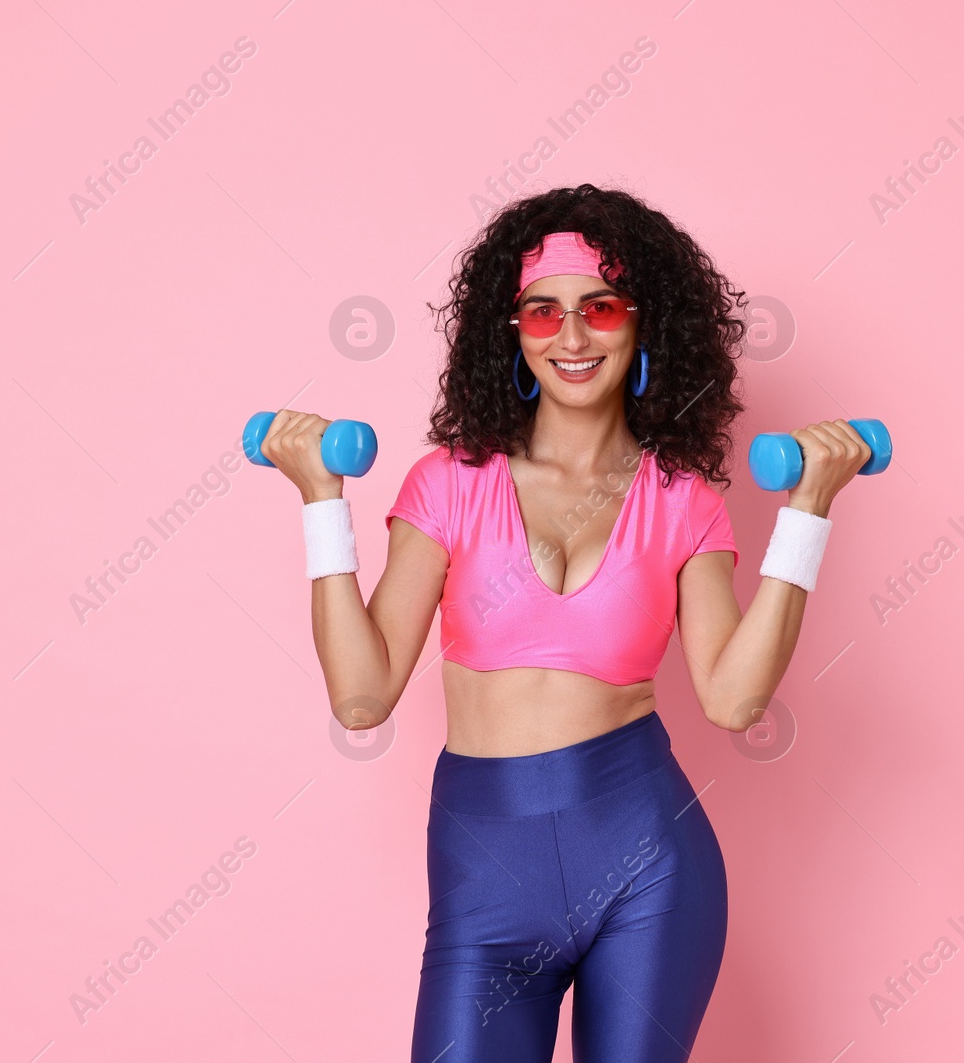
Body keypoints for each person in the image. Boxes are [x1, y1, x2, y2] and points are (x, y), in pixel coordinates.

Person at [258, 184, 870, 1062]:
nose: (572, 338)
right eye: (542, 313)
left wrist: (808, 511)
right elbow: (361, 697)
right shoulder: (449, 484)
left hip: (648, 865)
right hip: (483, 875)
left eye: (600, 308)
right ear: (509, 331)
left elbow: (734, 700)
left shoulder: (683, 501)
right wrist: (323, 499)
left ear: (642, 323)